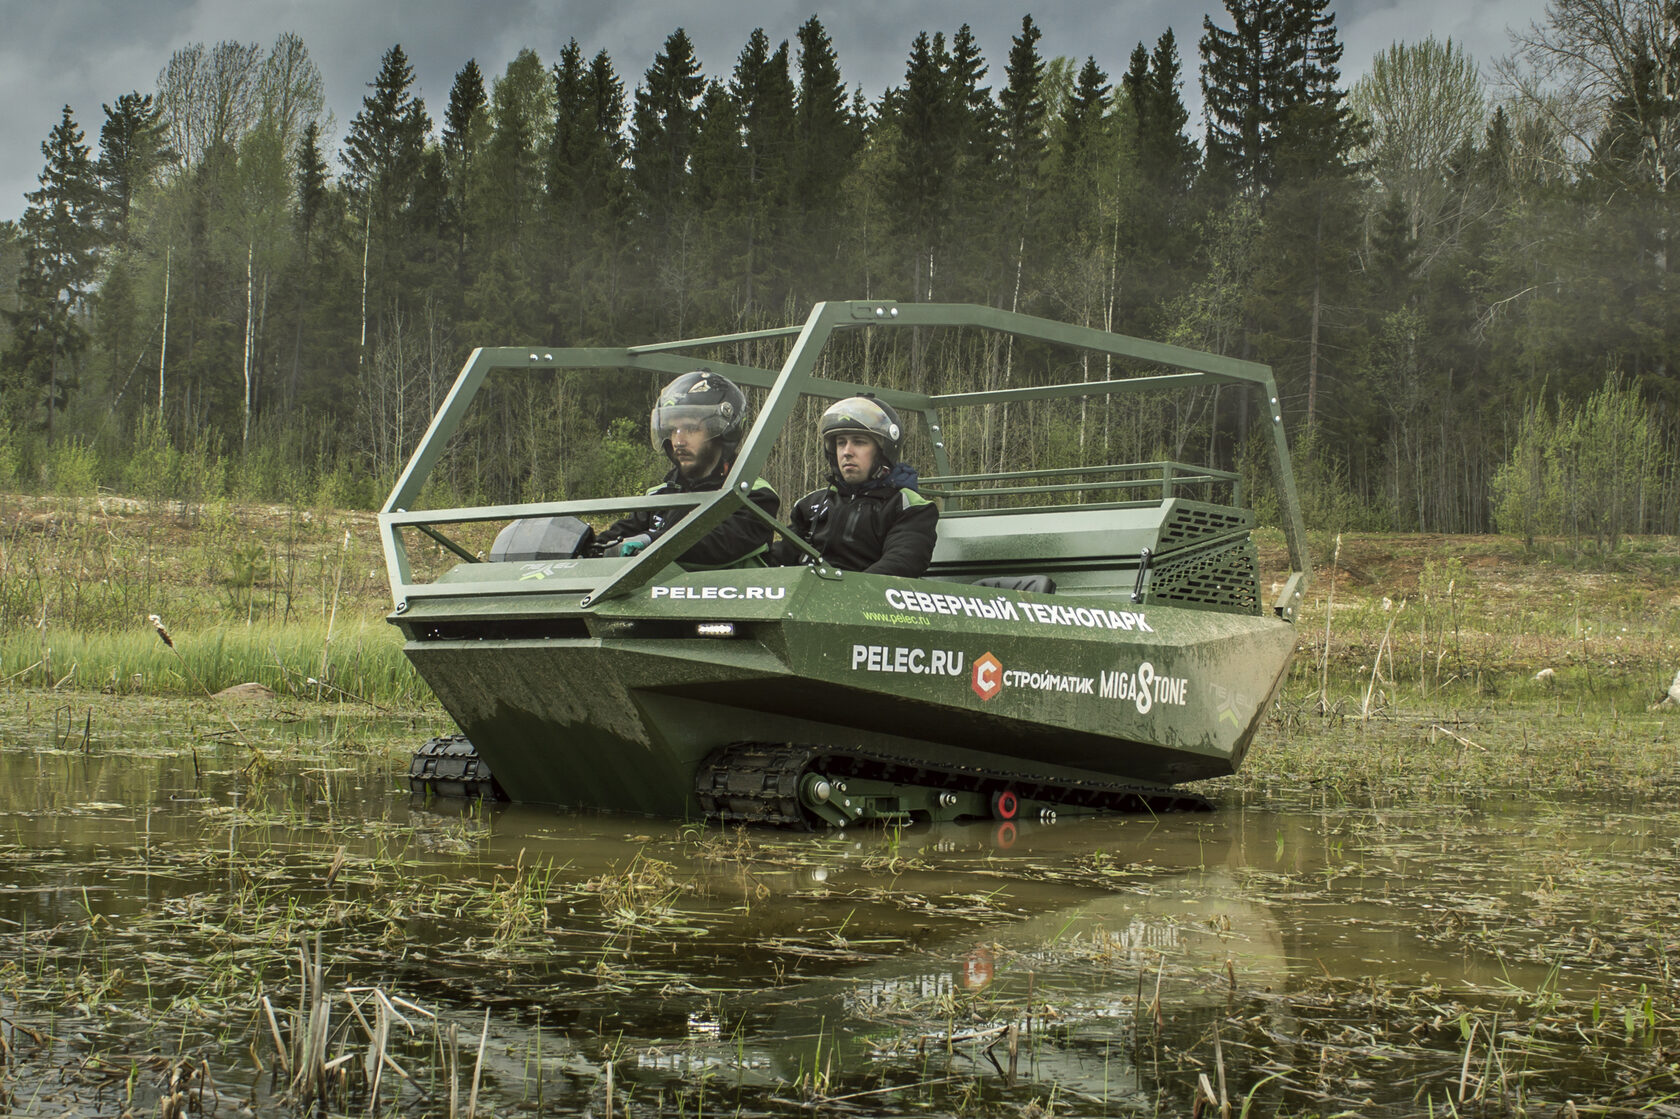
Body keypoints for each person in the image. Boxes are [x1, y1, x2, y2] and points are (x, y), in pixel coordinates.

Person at [595, 371, 779, 568]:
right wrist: (589, 544)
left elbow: (720, 545)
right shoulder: (661, 494)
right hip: (658, 595)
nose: (679, 441)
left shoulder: (753, 494)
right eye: (673, 430)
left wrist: (652, 541)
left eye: (691, 429)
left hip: (728, 595)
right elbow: (624, 531)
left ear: (722, 432)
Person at [775, 394, 938, 577]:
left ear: (882, 451)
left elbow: (902, 562)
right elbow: (781, 557)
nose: (847, 452)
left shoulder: (908, 506)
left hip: (868, 600)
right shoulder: (812, 504)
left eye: (859, 442)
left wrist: (841, 593)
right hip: (805, 597)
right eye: (840, 443)